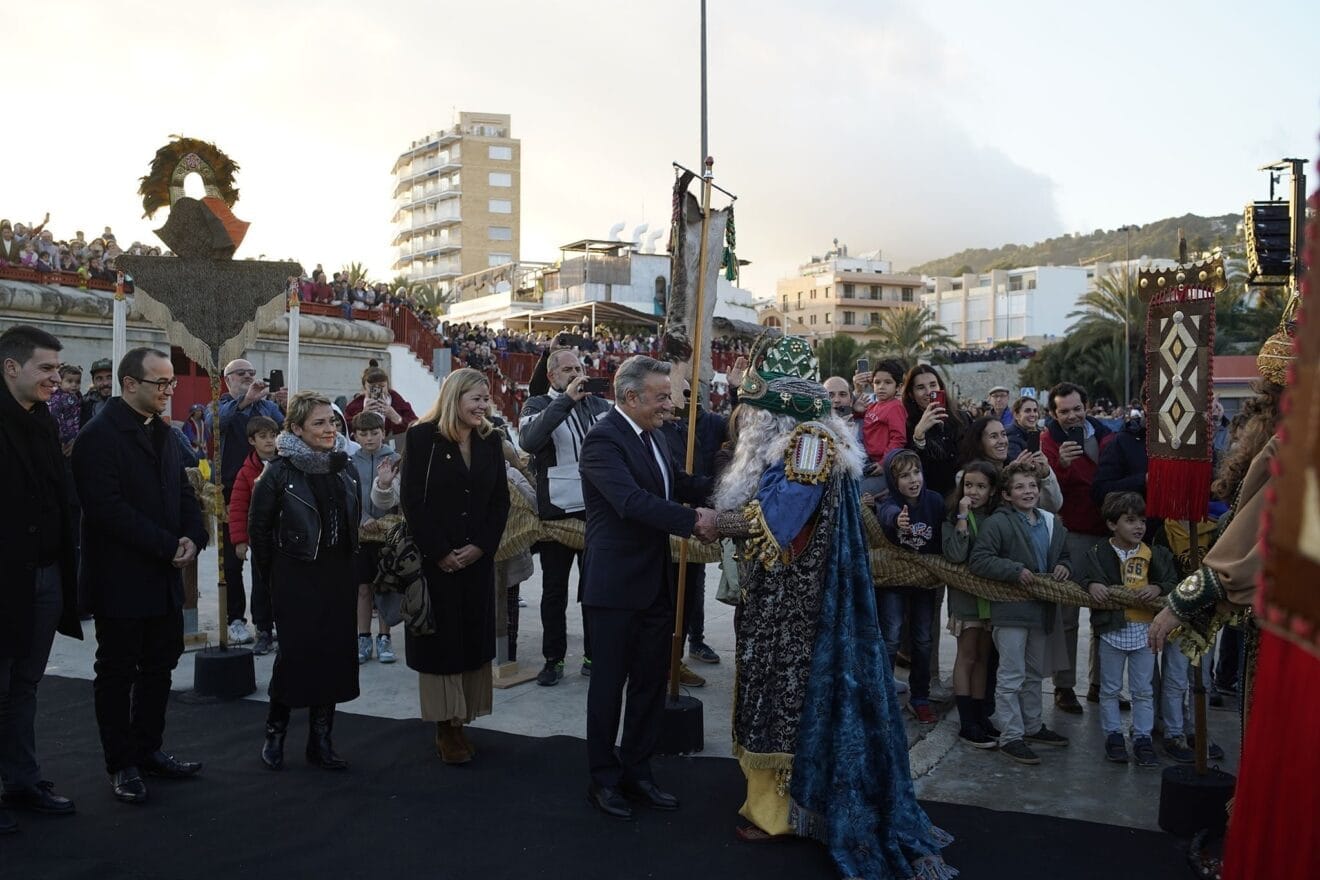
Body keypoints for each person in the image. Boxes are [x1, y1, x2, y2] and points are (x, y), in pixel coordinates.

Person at [709, 336, 955, 877]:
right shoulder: (805, 440)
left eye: (753, 409)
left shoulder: (807, 444)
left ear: (775, 410)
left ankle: (779, 813)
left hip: (798, 604)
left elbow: (778, 522)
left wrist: (714, 522)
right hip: (785, 595)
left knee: (788, 699)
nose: (746, 419)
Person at [578, 356, 716, 821]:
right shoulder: (602, 440)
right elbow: (632, 502)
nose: (669, 405)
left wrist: (731, 489)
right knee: (608, 688)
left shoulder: (654, 436)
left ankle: (638, 772)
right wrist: (694, 522)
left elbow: (678, 483)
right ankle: (603, 780)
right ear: (631, 396)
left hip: (655, 583)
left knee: (649, 684)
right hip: (614, 589)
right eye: (661, 397)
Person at [72, 347, 208, 804]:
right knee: (117, 671)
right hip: (120, 579)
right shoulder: (98, 437)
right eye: (161, 383)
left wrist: (193, 537)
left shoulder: (165, 433)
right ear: (130, 384)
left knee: (160, 665)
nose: (169, 391)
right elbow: (107, 510)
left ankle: (149, 748)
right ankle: (122, 763)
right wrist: (168, 544)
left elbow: (184, 492)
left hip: (164, 576)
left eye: (172, 382)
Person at [400, 369, 510, 765]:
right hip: (437, 564)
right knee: (441, 643)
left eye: (485, 398)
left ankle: (463, 718)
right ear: (454, 398)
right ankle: (445, 726)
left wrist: (481, 546)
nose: (483, 406)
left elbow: (500, 500)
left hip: (477, 562)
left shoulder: (491, 440)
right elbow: (412, 501)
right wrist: (440, 551)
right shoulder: (421, 438)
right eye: (475, 399)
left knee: (472, 639)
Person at [247, 392, 361, 771]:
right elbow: (259, 532)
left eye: (332, 422)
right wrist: (274, 579)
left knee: (333, 657)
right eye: (319, 423)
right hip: (295, 577)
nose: (330, 429)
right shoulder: (278, 472)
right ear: (296, 428)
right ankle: (275, 732)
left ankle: (320, 740)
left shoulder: (345, 466)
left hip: (337, 577)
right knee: (295, 657)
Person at [0, 326, 82, 830]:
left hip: (46, 574)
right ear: (11, 367)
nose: (57, 377)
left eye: (57, 368)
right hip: (6, 579)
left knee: (25, 684)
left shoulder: (45, 420)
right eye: (46, 368)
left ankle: (21, 779)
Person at [968, 460, 1073, 764]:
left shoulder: (1051, 522)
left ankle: (1032, 725)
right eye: (1019, 487)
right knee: (1011, 675)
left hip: (1040, 612)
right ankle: (1011, 735)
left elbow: (1065, 555)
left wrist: (1064, 566)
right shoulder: (998, 523)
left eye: (1032, 486)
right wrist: (1014, 570)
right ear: (1006, 495)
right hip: (1011, 612)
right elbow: (979, 560)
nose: (1028, 491)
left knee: (1033, 674)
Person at [517, 348, 611, 685]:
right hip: (557, 514)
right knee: (554, 591)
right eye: (568, 369)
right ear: (552, 375)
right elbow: (529, 440)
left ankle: (593, 655)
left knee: (595, 590)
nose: (575, 373)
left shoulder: (599, 405)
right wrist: (567, 400)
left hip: (595, 512)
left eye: (579, 367)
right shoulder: (537, 404)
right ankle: (553, 659)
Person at [1079, 492, 1177, 767]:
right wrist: (1091, 584)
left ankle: (1143, 737)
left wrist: (1157, 587)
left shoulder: (1153, 554)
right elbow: (1082, 575)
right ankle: (1113, 735)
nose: (1139, 527)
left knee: (1143, 689)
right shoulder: (1097, 553)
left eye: (1142, 521)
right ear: (1113, 524)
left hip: (1144, 631)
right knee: (1109, 688)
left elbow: (1171, 581)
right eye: (1131, 520)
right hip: (1112, 632)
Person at [1040, 381, 1114, 714]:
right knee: (1067, 615)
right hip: (1071, 532)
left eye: (1076, 409)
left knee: (1108, 613)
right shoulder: (1048, 441)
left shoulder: (1106, 435)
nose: (1071, 416)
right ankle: (1064, 685)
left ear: (1087, 407)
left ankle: (1102, 684)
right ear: (1054, 413)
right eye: (1064, 411)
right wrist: (1063, 466)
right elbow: (1045, 490)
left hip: (1108, 534)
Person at [210, 358, 285, 646]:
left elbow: (286, 429)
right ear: (227, 379)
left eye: (252, 373)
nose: (248, 377)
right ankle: (235, 619)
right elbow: (214, 424)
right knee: (232, 562)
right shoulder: (219, 404)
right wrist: (244, 401)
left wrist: (286, 406)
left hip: (271, 484)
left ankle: (268, 621)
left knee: (269, 562)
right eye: (241, 373)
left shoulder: (267, 407)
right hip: (232, 490)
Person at [661, 379, 728, 670]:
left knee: (691, 589)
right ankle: (663, 663)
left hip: (696, 515)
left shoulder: (703, 425)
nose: (690, 398)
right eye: (681, 393)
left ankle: (681, 655)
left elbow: (685, 479)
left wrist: (723, 490)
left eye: (694, 393)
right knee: (666, 596)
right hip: (667, 522)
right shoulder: (654, 431)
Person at [875, 449, 944, 724]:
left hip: (924, 583)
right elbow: (887, 514)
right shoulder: (889, 503)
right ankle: (883, 694)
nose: (913, 480)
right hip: (895, 581)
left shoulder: (934, 501)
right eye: (904, 476)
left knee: (923, 639)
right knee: (891, 636)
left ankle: (920, 697)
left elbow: (945, 529)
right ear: (894, 482)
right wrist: (898, 520)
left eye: (916, 472)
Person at [941, 459, 1000, 748]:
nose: (973, 492)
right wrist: (963, 518)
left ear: (993, 490)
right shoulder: (952, 517)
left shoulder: (998, 517)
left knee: (983, 658)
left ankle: (979, 716)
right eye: (968, 485)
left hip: (992, 599)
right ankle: (966, 722)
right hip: (966, 598)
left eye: (981, 486)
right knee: (967, 656)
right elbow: (955, 555)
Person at [225, 416, 281, 656]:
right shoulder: (246, 472)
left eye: (273, 436)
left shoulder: (285, 465)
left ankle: (284, 628)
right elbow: (238, 508)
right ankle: (264, 630)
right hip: (260, 540)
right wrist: (240, 540)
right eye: (263, 436)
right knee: (260, 587)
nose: (269, 441)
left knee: (284, 586)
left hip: (285, 538)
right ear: (251, 440)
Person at [349, 410, 400, 665]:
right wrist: (363, 518)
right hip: (361, 534)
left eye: (374, 432)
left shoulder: (395, 459)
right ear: (355, 436)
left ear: (384, 433)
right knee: (363, 588)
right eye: (364, 433)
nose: (369, 438)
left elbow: (399, 495)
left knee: (385, 586)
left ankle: (384, 637)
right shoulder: (349, 462)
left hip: (387, 532)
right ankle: (363, 637)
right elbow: (348, 497)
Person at [958, 414, 1062, 512]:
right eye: (994, 436)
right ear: (979, 443)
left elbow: (1052, 507)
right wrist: (1008, 476)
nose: (1002, 441)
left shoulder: (1018, 467)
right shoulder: (966, 476)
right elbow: (989, 512)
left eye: (1003, 434)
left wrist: (1046, 475)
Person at [343, 361, 417, 443]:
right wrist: (361, 417)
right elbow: (344, 430)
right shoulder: (354, 406)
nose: (377, 390)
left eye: (381, 386)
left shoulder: (397, 402)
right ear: (364, 387)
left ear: (387, 386)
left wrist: (397, 418)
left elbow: (416, 426)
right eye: (372, 387)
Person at [860, 358, 909, 472]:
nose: (881, 386)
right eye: (877, 382)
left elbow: (898, 439)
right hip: (868, 460)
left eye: (888, 382)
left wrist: (884, 463)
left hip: (884, 464)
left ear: (898, 387)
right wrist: (857, 410)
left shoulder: (895, 407)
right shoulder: (873, 406)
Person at [79, 358, 114, 426]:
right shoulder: (84, 405)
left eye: (110, 377)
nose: (105, 383)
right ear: (93, 381)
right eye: (99, 378)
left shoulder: (127, 403)